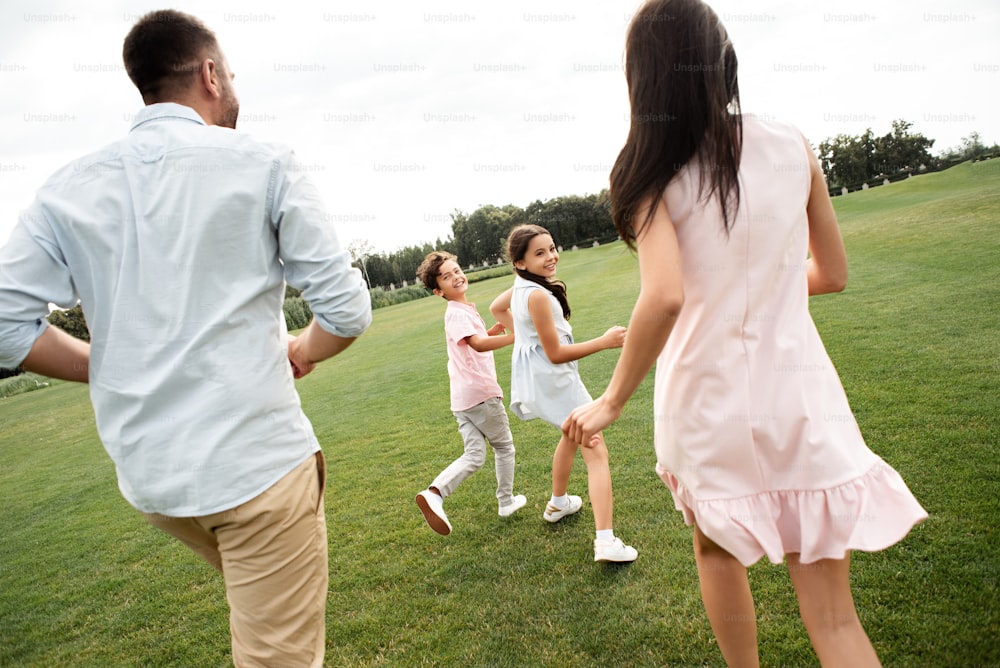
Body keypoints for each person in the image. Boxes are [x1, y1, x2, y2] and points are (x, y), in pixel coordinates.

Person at [0, 10, 371, 667]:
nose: (231, 86)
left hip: (156, 486)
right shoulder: (263, 161)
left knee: (261, 611)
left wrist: (107, 365)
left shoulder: (66, 189)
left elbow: (5, 326)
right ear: (209, 74)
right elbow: (345, 310)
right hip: (258, 474)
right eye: (228, 74)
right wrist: (301, 350)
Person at [562, 0, 928, 664]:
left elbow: (666, 294)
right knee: (837, 621)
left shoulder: (648, 168)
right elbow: (833, 274)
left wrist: (612, 398)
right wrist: (765, 286)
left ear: (643, 75)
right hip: (801, 396)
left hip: (706, 404)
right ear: (722, 57)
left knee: (713, 548)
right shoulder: (792, 144)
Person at [490, 225, 638, 563]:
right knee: (596, 449)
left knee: (571, 434)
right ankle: (606, 541)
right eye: (539, 253)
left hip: (543, 380)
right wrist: (605, 341)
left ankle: (558, 503)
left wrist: (525, 337)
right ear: (520, 263)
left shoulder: (522, 286)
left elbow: (497, 308)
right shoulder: (538, 295)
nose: (551, 256)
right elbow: (555, 353)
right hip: (555, 379)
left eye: (551, 248)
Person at [413, 251, 527, 535]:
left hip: (462, 400)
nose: (456, 277)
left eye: (457, 270)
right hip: (481, 394)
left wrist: (493, 330)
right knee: (504, 447)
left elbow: (471, 342)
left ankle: (435, 493)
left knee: (475, 455)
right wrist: (513, 337)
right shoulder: (456, 312)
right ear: (439, 290)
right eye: (447, 277)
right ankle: (506, 501)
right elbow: (477, 344)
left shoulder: (460, 311)